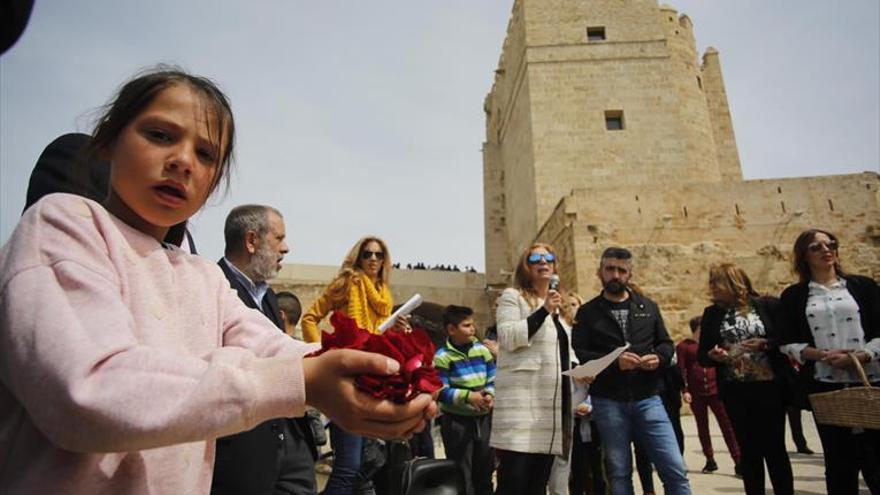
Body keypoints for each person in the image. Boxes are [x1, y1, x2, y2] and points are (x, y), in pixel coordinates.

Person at [0, 68, 436, 494]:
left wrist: (368, 374)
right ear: (108, 142)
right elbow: (90, 389)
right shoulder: (64, 224)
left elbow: (272, 348)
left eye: (206, 155)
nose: (182, 161)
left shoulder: (202, 277)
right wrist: (304, 382)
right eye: (160, 135)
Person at [211, 205, 317, 495]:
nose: (286, 248)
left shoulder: (269, 297)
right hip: (242, 452)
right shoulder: (212, 287)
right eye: (278, 239)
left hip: (287, 443)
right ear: (251, 241)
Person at [572, 247, 690, 495]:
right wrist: (615, 362)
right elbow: (581, 352)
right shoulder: (588, 312)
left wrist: (658, 358)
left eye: (621, 270)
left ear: (629, 274)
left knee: (674, 467)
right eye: (610, 269)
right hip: (608, 401)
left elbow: (666, 343)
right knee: (619, 472)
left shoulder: (648, 307)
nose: (615, 275)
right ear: (600, 272)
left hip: (649, 398)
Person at [778, 229, 880, 494]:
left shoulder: (863, 287)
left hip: (871, 381)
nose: (826, 250)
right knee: (839, 463)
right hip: (827, 386)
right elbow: (786, 341)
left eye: (830, 244)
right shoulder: (794, 296)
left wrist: (863, 355)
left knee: (877, 459)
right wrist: (821, 355)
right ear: (804, 256)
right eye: (816, 247)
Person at [300, 236, 403, 494]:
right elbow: (310, 318)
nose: (373, 260)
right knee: (348, 466)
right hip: (348, 378)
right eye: (367, 254)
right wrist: (325, 353)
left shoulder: (383, 295)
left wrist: (397, 329)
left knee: (364, 468)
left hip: (373, 381)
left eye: (379, 255)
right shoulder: (347, 283)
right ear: (359, 257)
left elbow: (378, 336)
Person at [697, 263, 794, 495]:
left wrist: (767, 344)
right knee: (748, 450)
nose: (712, 287)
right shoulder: (712, 314)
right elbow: (703, 354)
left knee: (775, 448)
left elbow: (788, 339)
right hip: (735, 389)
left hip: (769, 386)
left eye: (716, 282)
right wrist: (713, 355)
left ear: (733, 282)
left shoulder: (767, 305)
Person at [490, 243, 573, 495]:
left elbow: (564, 351)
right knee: (514, 482)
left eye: (548, 257)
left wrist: (581, 368)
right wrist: (544, 310)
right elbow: (508, 336)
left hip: (549, 412)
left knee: (537, 485)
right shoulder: (512, 297)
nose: (543, 261)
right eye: (535, 257)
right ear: (525, 267)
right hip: (521, 408)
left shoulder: (559, 308)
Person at [433, 305, 496, 495]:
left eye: (472, 324)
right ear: (451, 329)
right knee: (461, 474)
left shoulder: (482, 351)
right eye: (466, 325)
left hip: (484, 420)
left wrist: (490, 395)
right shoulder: (442, 357)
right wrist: (469, 397)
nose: (472, 329)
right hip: (457, 423)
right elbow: (440, 391)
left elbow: (492, 378)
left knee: (485, 473)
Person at [676, 316, 740, 475]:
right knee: (702, 426)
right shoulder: (684, 346)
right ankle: (710, 459)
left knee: (727, 425)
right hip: (696, 392)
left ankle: (738, 460)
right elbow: (681, 369)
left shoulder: (713, 344)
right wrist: (685, 390)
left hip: (715, 389)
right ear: (696, 329)